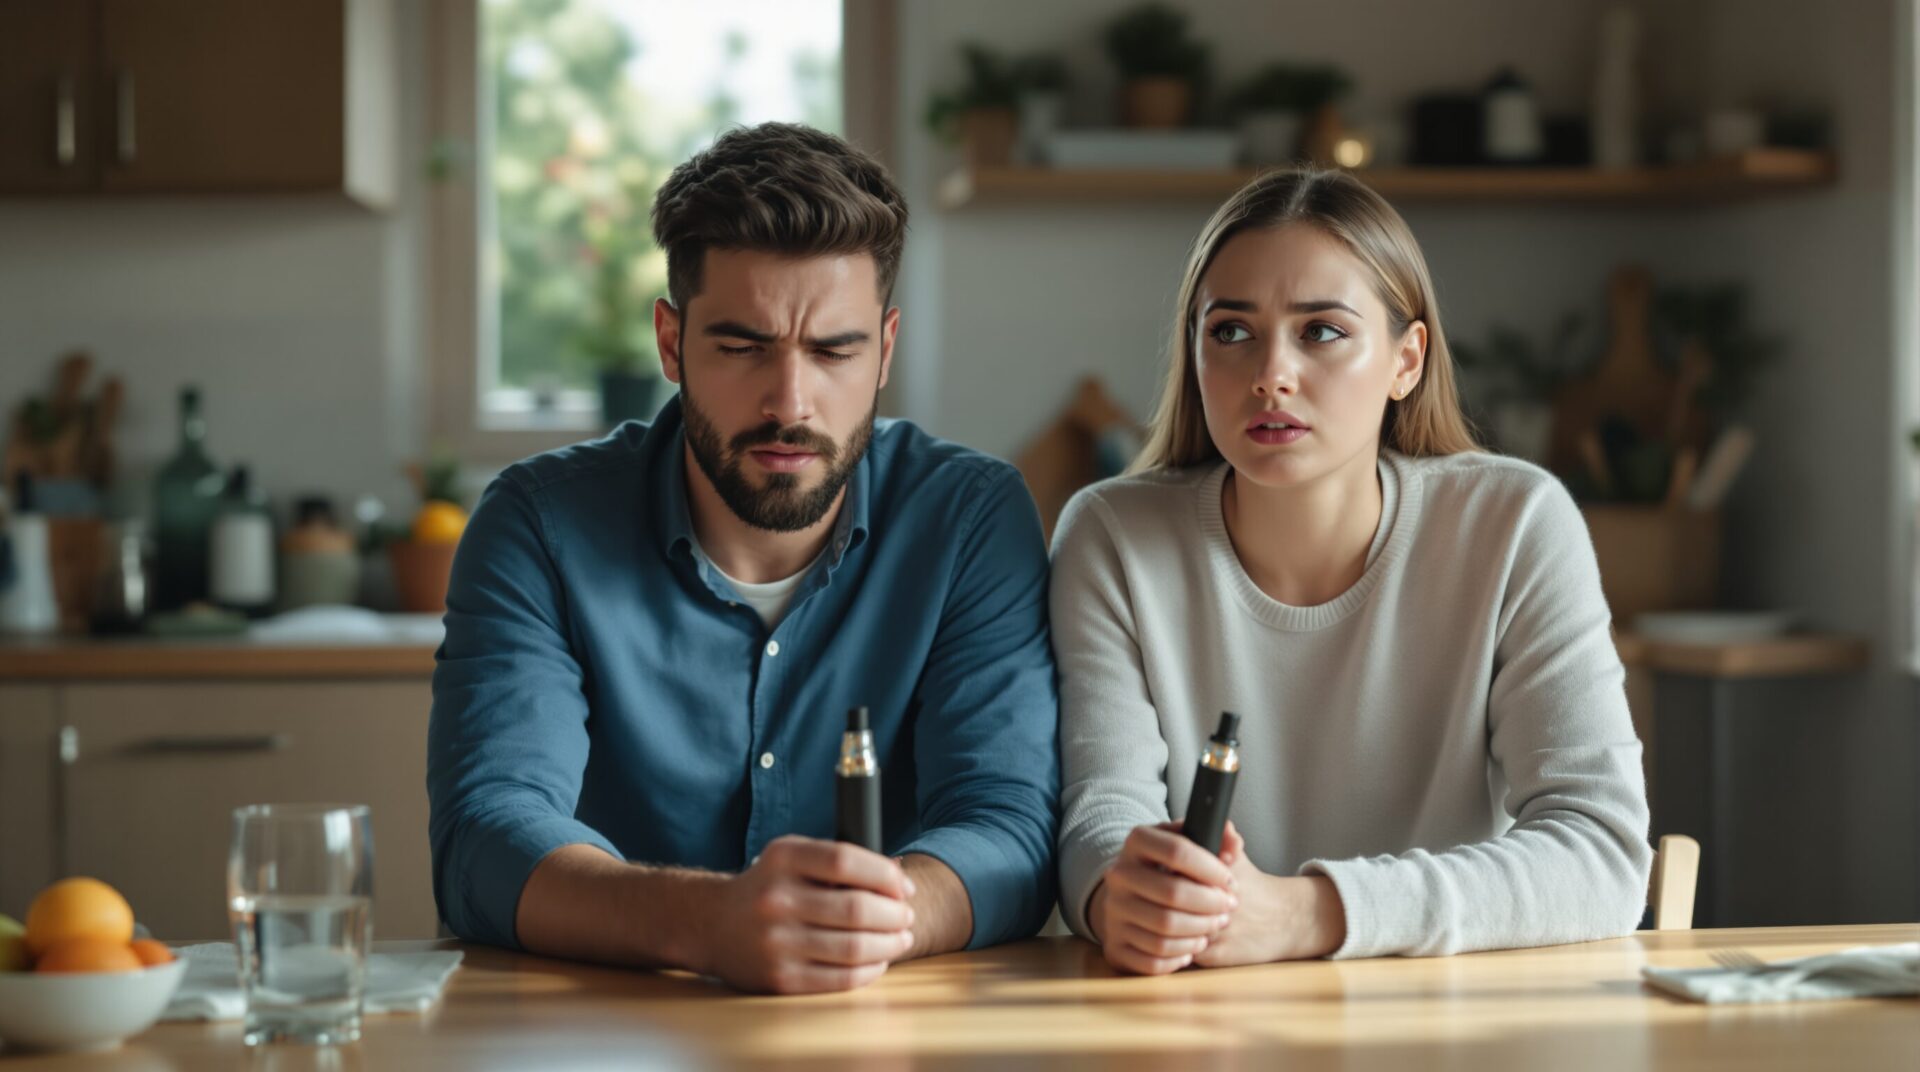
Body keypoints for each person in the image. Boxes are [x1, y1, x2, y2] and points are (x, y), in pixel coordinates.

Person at [429, 123, 1058, 994]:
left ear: (885, 349)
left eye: (835, 350)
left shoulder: (969, 520)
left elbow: (1010, 828)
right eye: (741, 347)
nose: (789, 402)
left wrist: (858, 925)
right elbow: (486, 836)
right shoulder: (538, 525)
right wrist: (708, 924)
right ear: (669, 342)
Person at [1050, 168, 1652, 974]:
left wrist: (1309, 913)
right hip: (1200, 1020)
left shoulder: (1513, 524)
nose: (1271, 374)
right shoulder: (1110, 535)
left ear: (1408, 361)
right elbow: (1100, 819)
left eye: (1322, 331)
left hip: (1452, 1025)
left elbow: (1603, 855)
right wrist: (1118, 892)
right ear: (1192, 354)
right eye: (1230, 331)